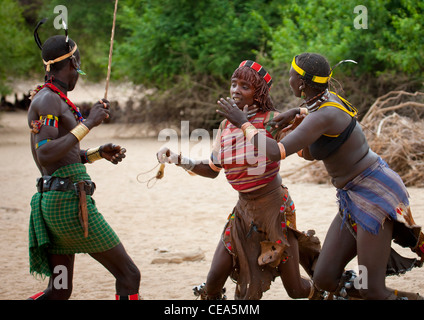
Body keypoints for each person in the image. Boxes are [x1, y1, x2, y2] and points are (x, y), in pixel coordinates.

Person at [218, 52, 424, 300]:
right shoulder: (323, 102)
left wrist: (243, 122)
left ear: (302, 83)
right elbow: (313, 124)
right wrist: (296, 110)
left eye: (293, 76)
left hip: (374, 194)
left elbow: (274, 153)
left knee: (372, 290)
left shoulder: (322, 116)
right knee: (324, 277)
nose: (290, 80)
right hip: (352, 196)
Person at [157, 60, 321, 300]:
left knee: (295, 290)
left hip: (274, 209)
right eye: (234, 84)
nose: (235, 90)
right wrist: (178, 159)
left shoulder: (273, 120)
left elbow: (314, 135)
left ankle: (328, 294)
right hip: (243, 213)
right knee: (213, 282)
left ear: (260, 93)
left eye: (245, 86)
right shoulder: (225, 126)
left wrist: (299, 112)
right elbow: (213, 169)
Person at [26, 21, 140, 300]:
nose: (78, 72)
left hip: (55, 203)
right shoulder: (49, 101)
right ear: (73, 62)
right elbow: (45, 152)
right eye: (78, 65)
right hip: (70, 208)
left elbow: (63, 157)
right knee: (129, 275)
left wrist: (98, 153)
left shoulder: (53, 99)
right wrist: (88, 123)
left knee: (60, 289)